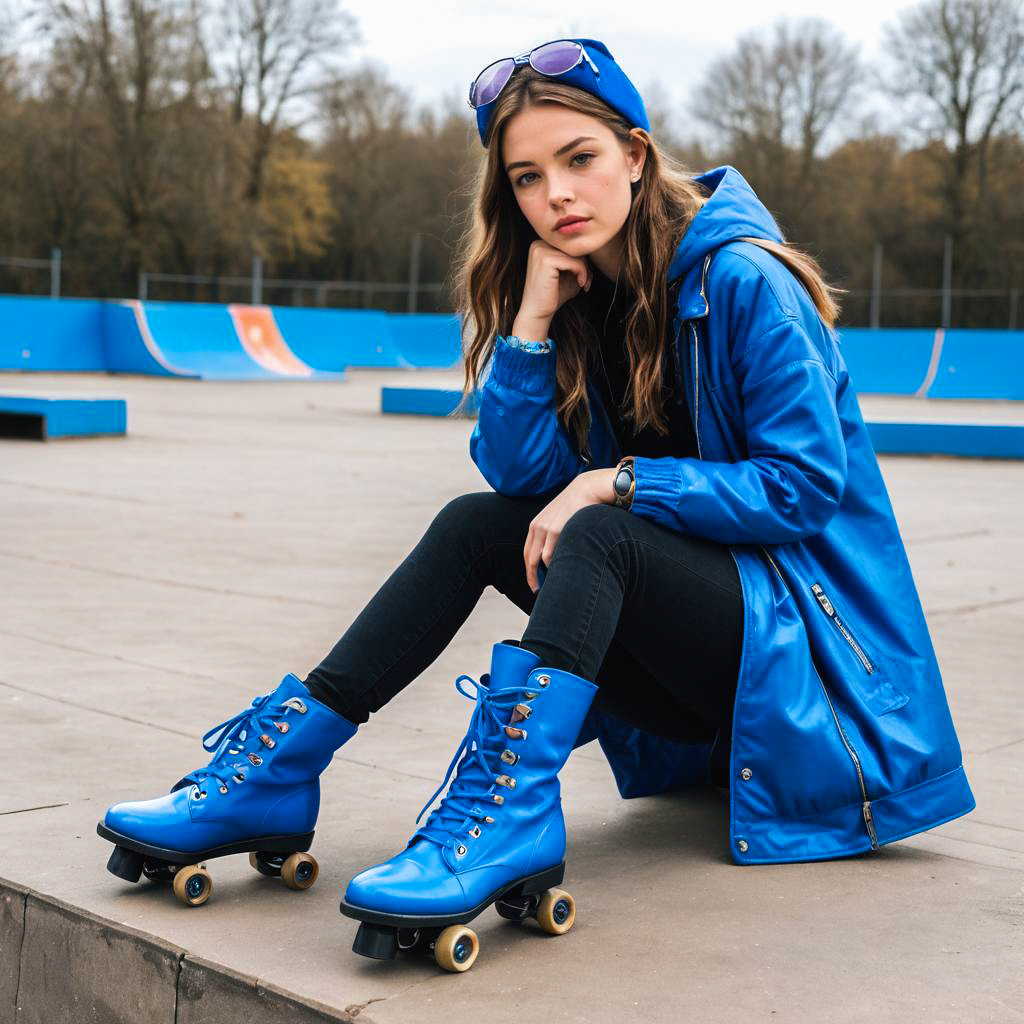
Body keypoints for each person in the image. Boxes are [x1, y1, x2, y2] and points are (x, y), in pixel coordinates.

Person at [98, 37, 974, 941]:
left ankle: (508, 813)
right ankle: (280, 773)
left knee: (602, 529)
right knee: (477, 523)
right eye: (525, 177)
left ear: (636, 155)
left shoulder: (747, 281)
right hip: (691, 668)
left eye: (580, 159)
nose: (554, 194)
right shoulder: (579, 295)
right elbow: (520, 483)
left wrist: (616, 481)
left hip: (810, 672)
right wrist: (530, 324)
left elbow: (801, 489)